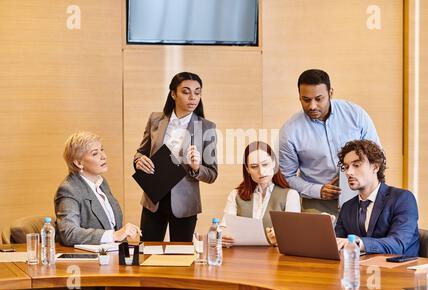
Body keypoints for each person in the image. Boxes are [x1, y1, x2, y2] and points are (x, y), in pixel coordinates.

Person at [279, 69, 381, 217]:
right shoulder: (290, 131)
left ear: (330, 93)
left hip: (361, 196)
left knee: (358, 240)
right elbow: (286, 176)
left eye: (319, 99)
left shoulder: (355, 115)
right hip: (317, 203)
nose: (312, 106)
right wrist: (317, 190)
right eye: (306, 100)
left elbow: (377, 155)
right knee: (317, 240)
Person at [134, 71, 218, 242]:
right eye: (186, 92)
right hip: (154, 200)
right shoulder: (155, 119)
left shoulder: (207, 127)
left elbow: (212, 174)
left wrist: (196, 167)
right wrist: (138, 160)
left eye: (197, 92)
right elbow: (141, 152)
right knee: (147, 252)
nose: (193, 97)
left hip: (185, 205)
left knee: (182, 258)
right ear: (173, 93)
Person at [55, 131, 141, 246]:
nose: (104, 156)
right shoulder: (69, 189)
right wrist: (114, 235)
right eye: (95, 153)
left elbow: (111, 225)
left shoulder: (101, 182)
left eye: (102, 150)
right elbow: (69, 233)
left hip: (112, 254)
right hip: (89, 260)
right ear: (79, 163)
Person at [335, 139, 419, 256]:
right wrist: (326, 230)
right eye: (346, 166)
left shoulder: (403, 199)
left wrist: (359, 243)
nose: (349, 172)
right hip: (360, 270)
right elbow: (337, 245)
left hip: (399, 271)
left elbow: (398, 244)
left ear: (375, 167)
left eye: (356, 165)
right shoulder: (347, 207)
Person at [222, 141, 301, 246]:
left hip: (275, 259)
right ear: (247, 169)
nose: (261, 171)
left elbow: (293, 235)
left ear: (274, 163)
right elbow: (223, 228)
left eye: (265, 164)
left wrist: (279, 238)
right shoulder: (235, 194)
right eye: (254, 166)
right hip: (242, 257)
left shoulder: (290, 195)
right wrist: (222, 236)